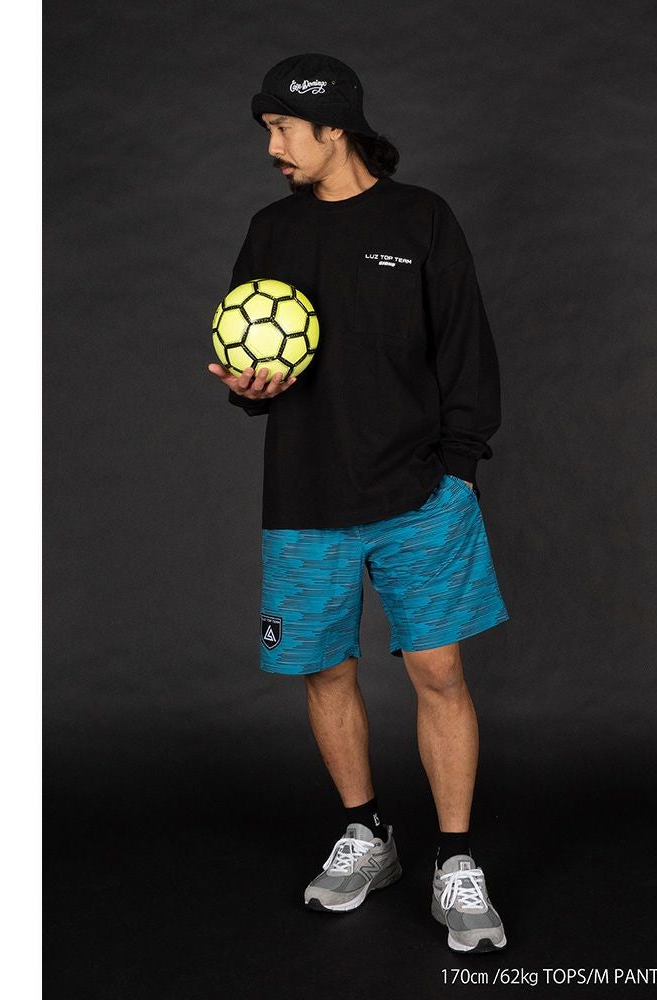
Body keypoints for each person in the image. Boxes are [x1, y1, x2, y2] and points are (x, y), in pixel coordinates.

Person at [207, 53, 509, 953]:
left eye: (282, 128)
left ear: (333, 125)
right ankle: (366, 833)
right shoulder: (270, 231)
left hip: (421, 496)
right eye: (267, 129)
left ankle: (455, 860)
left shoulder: (421, 218)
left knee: (439, 672)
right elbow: (253, 362)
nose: (272, 147)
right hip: (305, 497)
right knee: (325, 671)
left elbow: (467, 350)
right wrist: (249, 390)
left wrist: (458, 470)